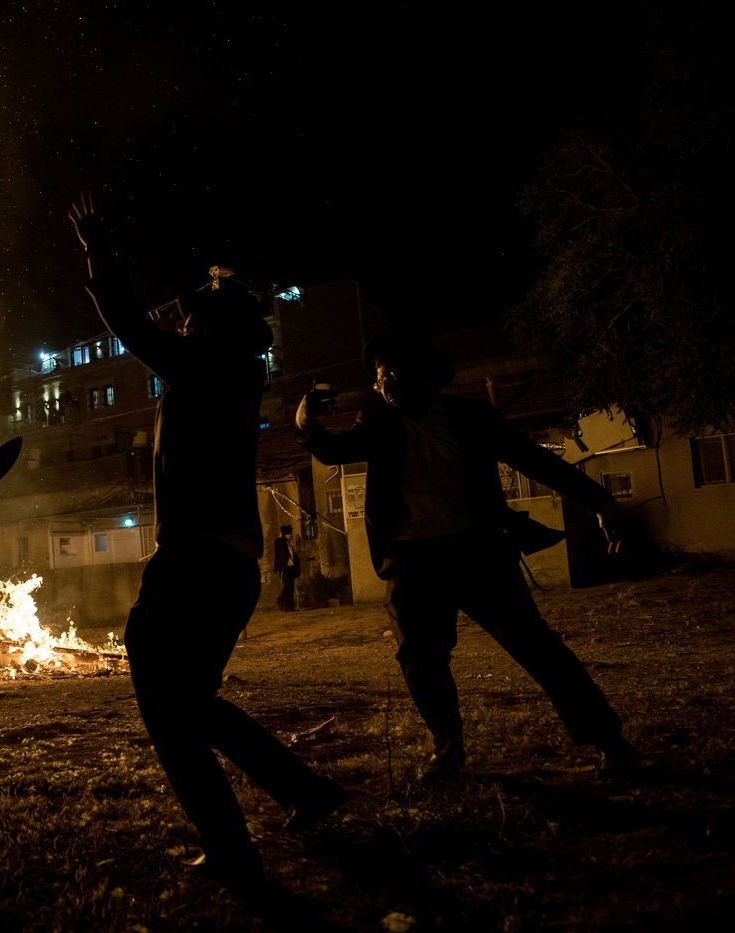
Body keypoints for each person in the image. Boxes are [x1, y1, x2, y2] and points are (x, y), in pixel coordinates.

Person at [69, 194, 345, 890]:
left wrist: (99, 252)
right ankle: (302, 792)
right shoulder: (222, 367)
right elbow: (155, 336)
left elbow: (133, 327)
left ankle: (232, 846)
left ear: (216, 327)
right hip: (214, 561)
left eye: (191, 318)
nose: (181, 324)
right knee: (187, 700)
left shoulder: (215, 365)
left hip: (197, 561)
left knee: (171, 705)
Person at [296, 329, 639, 782]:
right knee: (420, 659)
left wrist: (602, 503)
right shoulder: (376, 422)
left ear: (429, 376)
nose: (386, 384)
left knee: (537, 648)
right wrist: (306, 424)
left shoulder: (472, 417)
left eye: (394, 373)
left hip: (478, 552)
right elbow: (335, 451)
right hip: (413, 561)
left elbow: (535, 461)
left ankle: (609, 741)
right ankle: (447, 750)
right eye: (380, 378)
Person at [272, 525, 300, 611]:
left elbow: (293, 557)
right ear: (284, 535)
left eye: (290, 534)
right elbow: (278, 543)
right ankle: (281, 599)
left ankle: (289, 607)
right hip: (284, 569)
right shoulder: (279, 542)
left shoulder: (290, 544)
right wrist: (281, 537)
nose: (290, 535)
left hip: (291, 569)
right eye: (288, 534)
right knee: (287, 586)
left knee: (291, 587)